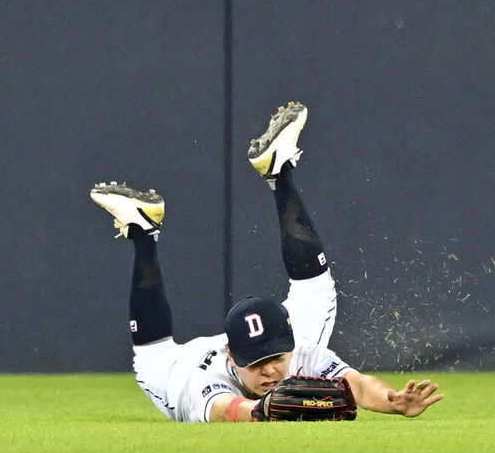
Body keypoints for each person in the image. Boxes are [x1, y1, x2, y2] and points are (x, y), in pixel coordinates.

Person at [90, 101, 444, 423]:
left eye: (275, 359)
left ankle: (279, 172)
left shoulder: (300, 351)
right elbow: (227, 410)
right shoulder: (199, 379)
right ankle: (143, 233)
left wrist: (393, 400)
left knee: (314, 291)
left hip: (281, 330)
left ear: (289, 344)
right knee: (152, 356)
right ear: (232, 357)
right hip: (179, 368)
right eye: (256, 364)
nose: (270, 373)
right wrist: (262, 410)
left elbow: (358, 385)